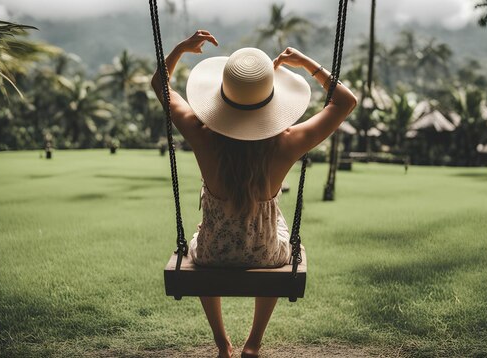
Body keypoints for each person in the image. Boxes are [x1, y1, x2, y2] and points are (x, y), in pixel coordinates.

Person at [152, 30, 357, 358]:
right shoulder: (288, 143)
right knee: (283, 236)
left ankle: (222, 344)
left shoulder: (200, 134)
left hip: (212, 254)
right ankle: (254, 342)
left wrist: (179, 49)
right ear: (271, 100)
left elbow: (159, 85)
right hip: (264, 254)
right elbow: (346, 102)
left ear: (221, 97)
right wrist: (306, 64)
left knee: (202, 239)